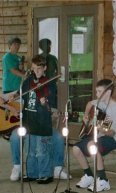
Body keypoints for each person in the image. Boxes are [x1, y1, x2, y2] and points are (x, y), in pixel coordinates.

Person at [73, 79, 116, 192]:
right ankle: (89, 176)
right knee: (76, 148)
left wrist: (98, 127)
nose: (97, 94)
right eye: (96, 91)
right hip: (102, 136)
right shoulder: (101, 102)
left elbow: (112, 132)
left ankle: (103, 180)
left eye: (99, 91)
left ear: (107, 92)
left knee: (92, 145)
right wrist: (87, 115)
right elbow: (89, 104)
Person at [39, 38, 70, 180]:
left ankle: (56, 166)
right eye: (46, 45)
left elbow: (58, 70)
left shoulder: (53, 58)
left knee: (52, 108)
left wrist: (56, 79)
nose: (49, 48)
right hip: (43, 87)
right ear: (42, 47)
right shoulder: (39, 59)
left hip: (52, 86)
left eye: (50, 45)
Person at [22, 55, 54, 184]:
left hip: (42, 123)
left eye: (39, 69)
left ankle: (45, 174)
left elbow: (50, 102)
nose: (36, 72)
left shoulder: (49, 83)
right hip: (29, 121)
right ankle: (32, 173)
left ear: (45, 68)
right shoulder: (28, 81)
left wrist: (44, 102)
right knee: (30, 151)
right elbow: (22, 95)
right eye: (34, 68)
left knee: (42, 151)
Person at [0, 37, 26, 181]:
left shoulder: (17, 57)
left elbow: (20, 69)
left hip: (18, 88)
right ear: (10, 45)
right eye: (15, 44)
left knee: (17, 111)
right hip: (9, 87)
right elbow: (14, 71)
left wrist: (23, 66)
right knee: (10, 109)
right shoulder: (7, 57)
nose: (17, 46)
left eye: (18, 44)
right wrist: (24, 74)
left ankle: (13, 128)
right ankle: (8, 130)